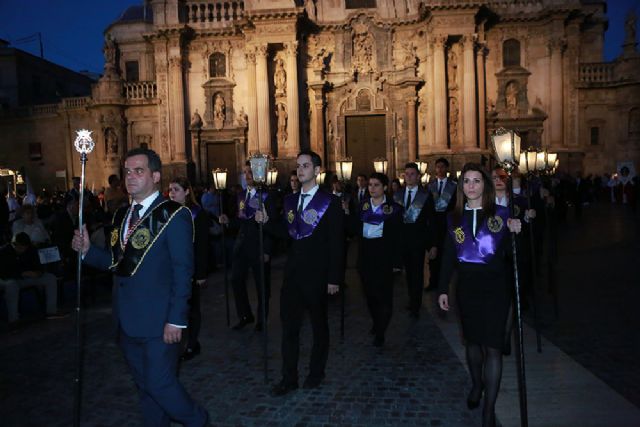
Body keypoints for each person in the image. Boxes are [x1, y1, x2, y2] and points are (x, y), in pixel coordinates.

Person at [72, 148, 208, 427]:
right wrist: (87, 251)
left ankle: (200, 422)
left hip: (160, 323)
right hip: (126, 320)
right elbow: (115, 262)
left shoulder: (174, 215)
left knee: (160, 386)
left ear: (155, 176)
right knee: (145, 388)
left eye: (139, 171)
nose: (130, 177)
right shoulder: (122, 215)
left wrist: (177, 319)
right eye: (127, 171)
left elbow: (184, 272)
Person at [438, 163, 522, 427]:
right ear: (462, 187)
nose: (471, 185)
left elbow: (513, 256)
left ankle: (489, 409)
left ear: (485, 185)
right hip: (468, 289)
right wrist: (442, 288)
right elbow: (448, 257)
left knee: (493, 348)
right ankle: (477, 384)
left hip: (496, 289)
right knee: (473, 345)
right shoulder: (454, 219)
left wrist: (518, 232)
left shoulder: (501, 215)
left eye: (476, 180)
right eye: (466, 181)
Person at [257, 150, 344, 396]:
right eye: (298, 166)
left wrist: (334, 278)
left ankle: (316, 372)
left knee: (319, 327)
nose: (300, 170)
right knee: (289, 328)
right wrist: (266, 222)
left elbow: (337, 243)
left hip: (318, 275)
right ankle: (289, 377)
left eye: (306, 166)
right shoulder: (290, 201)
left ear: (317, 171)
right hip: (292, 275)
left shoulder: (331, 202)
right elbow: (289, 233)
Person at [219, 162, 276, 332]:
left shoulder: (267, 195)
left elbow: (271, 224)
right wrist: (229, 221)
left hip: (259, 246)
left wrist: (267, 250)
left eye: (250, 172)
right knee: (236, 279)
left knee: (261, 286)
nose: (247, 175)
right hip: (242, 246)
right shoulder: (241, 195)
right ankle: (245, 315)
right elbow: (242, 221)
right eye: (245, 172)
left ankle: (261, 320)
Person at [349, 173, 402, 346]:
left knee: (384, 296)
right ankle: (377, 322)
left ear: (385, 187)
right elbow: (355, 228)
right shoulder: (363, 205)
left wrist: (396, 262)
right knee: (370, 295)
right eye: (370, 184)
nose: (372, 188)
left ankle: (380, 332)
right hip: (366, 255)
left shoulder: (393, 208)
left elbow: (397, 238)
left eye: (376, 185)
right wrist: (345, 214)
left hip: (384, 254)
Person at [169, 176, 210, 361]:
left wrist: (201, 273)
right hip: (171, 268)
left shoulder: (197, 214)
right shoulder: (168, 212)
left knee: (192, 308)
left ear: (186, 191)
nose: (172, 193)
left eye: (176, 189)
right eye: (170, 190)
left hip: (190, 268)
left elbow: (202, 245)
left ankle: (192, 343)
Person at [393, 162, 436, 318]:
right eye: (406, 174)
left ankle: (416, 305)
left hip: (418, 241)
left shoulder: (426, 195)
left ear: (418, 176)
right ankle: (412, 300)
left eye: (412, 174)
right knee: (406, 274)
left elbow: (431, 221)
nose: (409, 177)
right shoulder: (397, 194)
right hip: (401, 241)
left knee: (416, 274)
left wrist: (432, 244)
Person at [0, 232, 62, 325]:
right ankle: (14, 320)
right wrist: (22, 273)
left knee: (50, 278)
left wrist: (38, 272)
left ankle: (51, 311)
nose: (23, 250)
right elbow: (4, 273)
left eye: (24, 247)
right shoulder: (4, 251)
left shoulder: (31, 249)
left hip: (28, 277)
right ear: (14, 245)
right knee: (11, 285)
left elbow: (38, 266)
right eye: (20, 247)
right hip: (10, 279)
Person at [427, 157, 457, 293]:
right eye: (437, 167)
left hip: (448, 224)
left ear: (447, 168)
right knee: (433, 254)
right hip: (433, 225)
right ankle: (433, 281)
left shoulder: (454, 186)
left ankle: (444, 283)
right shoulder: (430, 186)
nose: (439, 169)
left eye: (442, 167)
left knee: (446, 254)